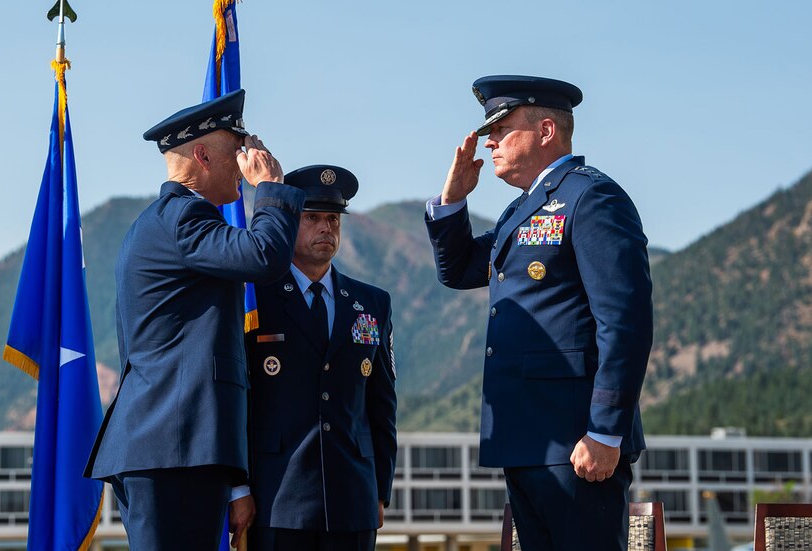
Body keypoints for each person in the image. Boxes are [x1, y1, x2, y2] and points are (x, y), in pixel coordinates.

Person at [424, 75, 653, 550]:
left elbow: (625, 323)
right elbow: (462, 268)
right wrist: (453, 201)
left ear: (546, 131)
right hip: (525, 440)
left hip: (576, 443)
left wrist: (605, 431)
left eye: (503, 129)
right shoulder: (521, 210)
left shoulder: (592, 199)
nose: (489, 142)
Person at [84, 89, 305, 550]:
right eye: (236, 150)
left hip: (178, 445)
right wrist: (270, 190)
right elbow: (263, 256)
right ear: (203, 154)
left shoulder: (171, 220)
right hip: (169, 444)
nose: (243, 162)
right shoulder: (184, 218)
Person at [244, 165, 397, 551]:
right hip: (278, 498)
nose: (326, 228)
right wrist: (237, 487)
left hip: (353, 500)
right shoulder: (254, 299)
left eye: (333, 218)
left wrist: (381, 488)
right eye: (312, 218)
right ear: (287, 222)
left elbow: (381, 404)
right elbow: (238, 401)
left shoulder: (372, 302)